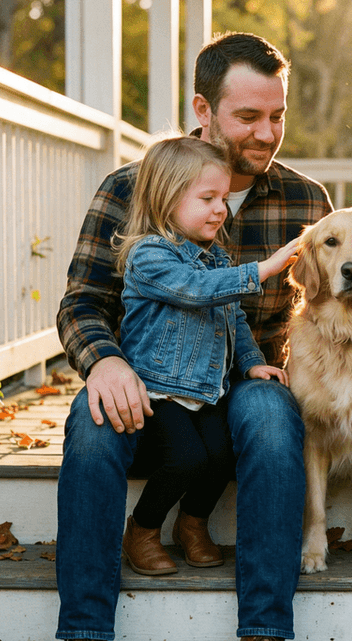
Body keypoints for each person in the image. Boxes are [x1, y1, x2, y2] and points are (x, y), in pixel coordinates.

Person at [56, 33, 332, 641]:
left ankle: (265, 628)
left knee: (269, 413)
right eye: (248, 117)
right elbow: (83, 301)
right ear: (203, 110)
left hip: (246, 380)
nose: (266, 133)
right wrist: (103, 362)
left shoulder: (305, 199)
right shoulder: (131, 189)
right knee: (94, 423)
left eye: (277, 116)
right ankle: (83, 630)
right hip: (149, 383)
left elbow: (328, 310)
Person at [109, 136, 298, 577]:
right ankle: (142, 529)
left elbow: (232, 320)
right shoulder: (149, 255)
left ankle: (191, 525)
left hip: (208, 388)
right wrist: (265, 268)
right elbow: (195, 293)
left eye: (224, 199)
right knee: (185, 458)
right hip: (158, 390)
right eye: (207, 198)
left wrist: (252, 362)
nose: (221, 209)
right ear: (167, 199)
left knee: (222, 454)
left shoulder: (216, 261)